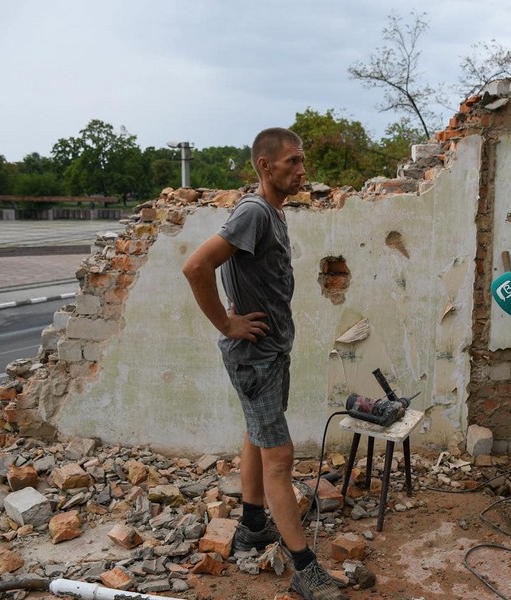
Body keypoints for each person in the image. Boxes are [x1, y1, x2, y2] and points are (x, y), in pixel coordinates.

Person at [182, 128, 345, 600]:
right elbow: (196, 266)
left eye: (301, 161)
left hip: (269, 352)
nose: (301, 169)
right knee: (281, 456)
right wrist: (227, 324)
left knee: (257, 432)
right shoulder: (254, 212)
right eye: (292, 161)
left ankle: (253, 523)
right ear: (264, 166)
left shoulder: (270, 212)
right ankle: (304, 569)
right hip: (255, 356)